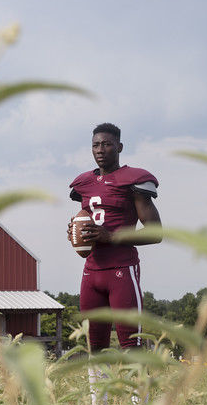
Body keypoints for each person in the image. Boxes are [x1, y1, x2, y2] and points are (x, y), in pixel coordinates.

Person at [68, 122, 162, 353]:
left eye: (107, 144)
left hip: (121, 268)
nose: (100, 150)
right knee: (94, 346)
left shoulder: (133, 180)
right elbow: (87, 221)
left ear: (119, 147)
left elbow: (155, 232)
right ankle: (97, 392)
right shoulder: (84, 184)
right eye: (95, 145)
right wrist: (76, 231)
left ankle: (139, 391)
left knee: (132, 343)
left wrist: (111, 237)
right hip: (91, 271)